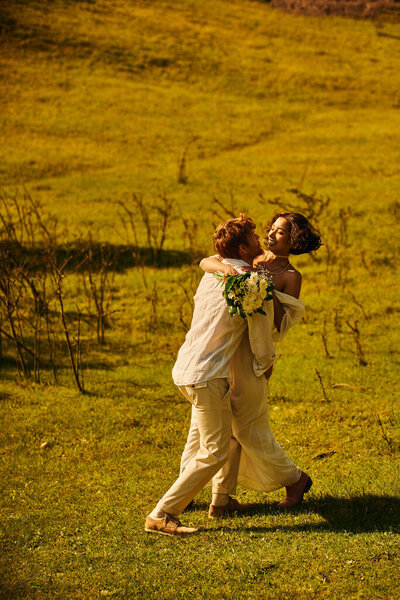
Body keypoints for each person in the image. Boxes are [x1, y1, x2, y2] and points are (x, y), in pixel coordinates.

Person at [145, 215, 276, 536]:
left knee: (225, 432)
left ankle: (222, 499)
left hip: (186, 367)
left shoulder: (214, 272)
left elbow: (209, 261)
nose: (261, 242)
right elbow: (260, 334)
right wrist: (265, 363)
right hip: (207, 375)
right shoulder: (248, 282)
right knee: (215, 449)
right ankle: (162, 514)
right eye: (255, 238)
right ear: (243, 247)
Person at [191, 212, 321, 512]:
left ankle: (295, 479)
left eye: (280, 233)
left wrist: (264, 289)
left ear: (294, 240)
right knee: (218, 423)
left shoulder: (291, 277)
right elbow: (205, 262)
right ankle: (218, 499)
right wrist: (230, 271)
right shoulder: (252, 256)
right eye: (271, 229)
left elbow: (279, 324)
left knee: (246, 425)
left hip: (255, 355)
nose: (271, 235)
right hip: (226, 349)